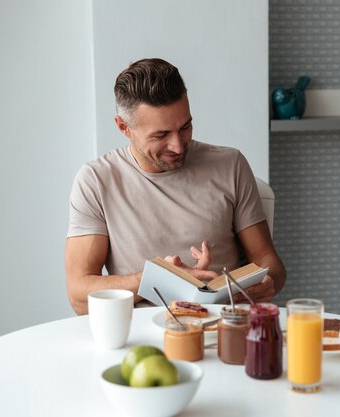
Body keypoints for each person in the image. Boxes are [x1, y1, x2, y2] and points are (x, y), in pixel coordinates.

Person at [65, 58, 286, 315]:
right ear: (123, 127)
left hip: (223, 326)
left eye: (185, 127)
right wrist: (158, 278)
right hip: (138, 334)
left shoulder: (231, 164)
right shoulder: (96, 181)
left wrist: (268, 282)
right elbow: (79, 295)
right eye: (160, 136)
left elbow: (270, 263)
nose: (179, 146)